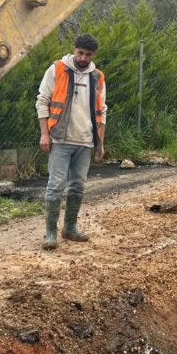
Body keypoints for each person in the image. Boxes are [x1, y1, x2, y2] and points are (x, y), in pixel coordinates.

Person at [36, 33, 107, 250]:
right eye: (80, 53)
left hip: (85, 141)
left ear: (93, 55)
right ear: (74, 49)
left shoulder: (97, 77)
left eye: (88, 54)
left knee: (77, 186)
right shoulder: (57, 69)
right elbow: (43, 100)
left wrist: (100, 144)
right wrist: (44, 134)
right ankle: (50, 233)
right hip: (59, 138)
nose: (83, 58)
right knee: (55, 186)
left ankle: (70, 227)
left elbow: (101, 111)